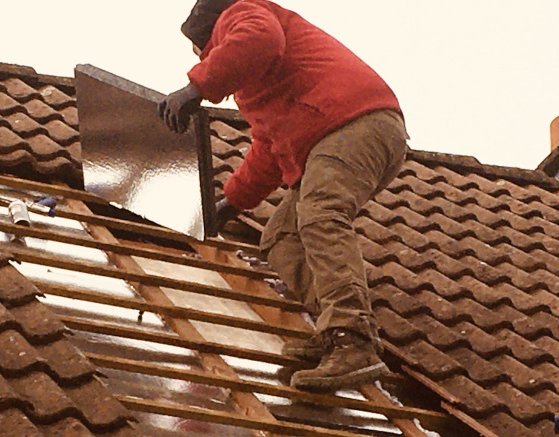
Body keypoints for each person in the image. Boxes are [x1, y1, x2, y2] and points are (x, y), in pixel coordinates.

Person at [159, 0, 408, 392]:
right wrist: (232, 201)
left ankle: (352, 338)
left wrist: (197, 86)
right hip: (339, 133)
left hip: (353, 123)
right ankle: (334, 329)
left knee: (321, 214)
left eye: (203, 52)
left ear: (209, 41)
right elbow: (270, 148)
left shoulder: (242, 14)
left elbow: (259, 38)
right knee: (280, 237)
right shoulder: (258, 85)